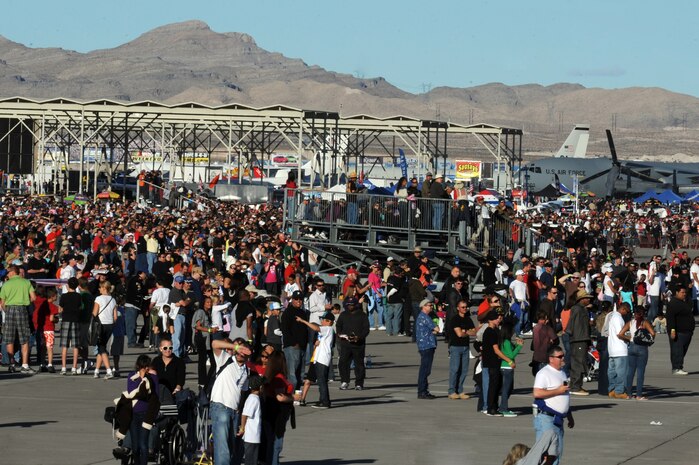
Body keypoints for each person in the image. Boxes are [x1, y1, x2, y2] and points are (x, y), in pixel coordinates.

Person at [210, 338, 251, 465]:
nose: (241, 353)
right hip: (220, 406)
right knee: (222, 447)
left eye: (245, 350)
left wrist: (240, 416)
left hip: (234, 411)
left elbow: (242, 393)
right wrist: (235, 347)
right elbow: (215, 344)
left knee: (231, 445)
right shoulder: (225, 359)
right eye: (239, 350)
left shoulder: (246, 371)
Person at [532, 346, 574, 465]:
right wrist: (558, 391)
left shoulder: (562, 373)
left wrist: (569, 415)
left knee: (556, 454)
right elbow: (537, 393)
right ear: (551, 359)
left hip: (558, 420)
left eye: (563, 356)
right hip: (546, 419)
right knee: (546, 455)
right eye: (559, 356)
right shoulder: (544, 373)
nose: (563, 358)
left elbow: (564, 395)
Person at [0, 265, 37, 373]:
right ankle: (25, 365)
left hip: (10, 310)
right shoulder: (26, 282)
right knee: (24, 338)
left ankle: (12, 363)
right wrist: (24, 300)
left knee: (9, 338)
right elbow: (34, 297)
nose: (7, 274)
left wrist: (8, 310)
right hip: (22, 309)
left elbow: (2, 303)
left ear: (12, 272)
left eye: (8, 272)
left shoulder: (6, 284)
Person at [295, 311, 335, 408]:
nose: (322, 321)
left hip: (322, 359)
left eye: (323, 320)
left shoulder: (328, 328)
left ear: (329, 321)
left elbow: (316, 328)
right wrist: (316, 343)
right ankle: (323, 400)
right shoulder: (325, 331)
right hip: (317, 358)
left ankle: (325, 403)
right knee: (321, 381)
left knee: (322, 381)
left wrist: (303, 321)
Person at [620, 307, 656, 399]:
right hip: (642, 348)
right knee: (640, 372)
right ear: (643, 314)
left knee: (630, 371)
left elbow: (620, 334)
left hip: (631, 346)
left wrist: (630, 339)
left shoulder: (630, 322)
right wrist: (646, 339)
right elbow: (653, 333)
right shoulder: (645, 322)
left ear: (635, 313)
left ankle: (628, 394)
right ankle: (639, 395)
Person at [336, 296, 370, 390]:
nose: (350, 306)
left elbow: (366, 329)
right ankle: (344, 381)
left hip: (358, 344)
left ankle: (359, 383)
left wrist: (358, 337)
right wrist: (339, 334)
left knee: (359, 364)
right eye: (348, 304)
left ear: (356, 304)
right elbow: (338, 325)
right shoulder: (343, 314)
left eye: (352, 304)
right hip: (345, 344)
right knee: (343, 363)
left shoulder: (362, 315)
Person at [447, 299, 476, 400]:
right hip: (455, 346)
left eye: (466, 307)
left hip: (465, 347)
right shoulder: (455, 319)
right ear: (458, 308)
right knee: (454, 369)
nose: (465, 309)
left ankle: (460, 390)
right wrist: (467, 332)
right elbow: (459, 334)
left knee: (464, 370)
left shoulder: (468, 319)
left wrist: (466, 331)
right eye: (463, 307)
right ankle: (451, 391)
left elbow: (474, 332)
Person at [280, 290, 308, 390]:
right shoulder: (288, 312)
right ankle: (290, 394)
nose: (298, 301)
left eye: (300, 299)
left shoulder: (303, 313)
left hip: (302, 347)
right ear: (292, 300)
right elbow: (285, 329)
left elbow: (305, 329)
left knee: (301, 373)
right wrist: (293, 343)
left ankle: (297, 395)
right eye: (296, 299)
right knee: (292, 374)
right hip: (292, 347)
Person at [566, 290, 592, 396]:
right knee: (578, 363)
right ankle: (575, 387)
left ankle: (576, 385)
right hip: (578, 340)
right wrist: (572, 334)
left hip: (582, 339)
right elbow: (570, 324)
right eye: (587, 298)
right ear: (582, 299)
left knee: (581, 362)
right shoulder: (576, 309)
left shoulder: (582, 309)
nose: (589, 299)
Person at [666, 286, 694, 375]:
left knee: (682, 351)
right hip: (679, 332)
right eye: (682, 292)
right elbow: (670, 319)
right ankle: (676, 368)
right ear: (677, 293)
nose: (684, 294)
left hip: (687, 331)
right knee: (677, 350)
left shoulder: (683, 302)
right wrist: (672, 331)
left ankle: (679, 366)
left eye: (685, 292)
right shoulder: (673, 303)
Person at [93, 281, 118, 379]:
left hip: (101, 325)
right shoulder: (113, 299)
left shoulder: (98, 298)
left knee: (102, 348)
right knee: (101, 347)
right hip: (110, 325)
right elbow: (115, 316)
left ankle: (108, 370)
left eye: (100, 287)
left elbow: (95, 313)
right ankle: (97, 370)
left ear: (103, 288)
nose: (99, 289)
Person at [415, 299, 439, 399]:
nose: (431, 307)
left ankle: (423, 390)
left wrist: (433, 331)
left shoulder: (423, 317)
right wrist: (435, 329)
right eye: (429, 305)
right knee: (425, 370)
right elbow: (437, 329)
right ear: (423, 306)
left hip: (426, 345)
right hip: (427, 346)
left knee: (425, 369)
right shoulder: (425, 317)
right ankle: (422, 391)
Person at [151, 336, 187, 404]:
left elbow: (181, 379)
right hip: (158, 392)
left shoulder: (179, 362)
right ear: (160, 349)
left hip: (173, 393)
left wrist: (177, 389)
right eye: (165, 348)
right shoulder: (156, 361)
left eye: (170, 347)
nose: (168, 350)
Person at [238, 374, 264, 465]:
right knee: (250, 461)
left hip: (254, 436)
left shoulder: (254, 398)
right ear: (261, 387)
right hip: (251, 437)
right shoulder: (253, 399)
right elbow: (245, 415)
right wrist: (242, 428)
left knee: (253, 460)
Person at [499, 321, 524, 417]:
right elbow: (511, 355)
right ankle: (503, 408)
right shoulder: (506, 342)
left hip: (506, 367)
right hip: (507, 367)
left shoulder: (505, 341)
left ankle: (502, 406)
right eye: (512, 329)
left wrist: (517, 345)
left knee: (508, 388)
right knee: (506, 389)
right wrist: (519, 347)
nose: (513, 331)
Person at [607, 302, 630, 399]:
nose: (627, 314)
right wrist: (630, 338)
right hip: (620, 349)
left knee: (612, 371)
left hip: (612, 348)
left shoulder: (612, 316)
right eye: (627, 312)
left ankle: (612, 389)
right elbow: (620, 334)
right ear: (623, 309)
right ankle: (619, 391)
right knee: (621, 372)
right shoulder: (618, 318)